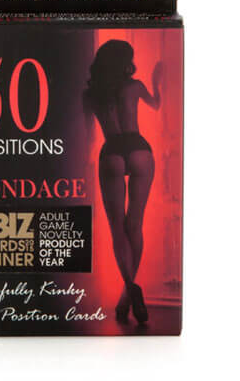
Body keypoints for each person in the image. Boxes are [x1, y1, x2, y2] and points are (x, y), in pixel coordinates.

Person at [83, 40, 162, 323]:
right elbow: (156, 105)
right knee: (134, 223)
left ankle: (129, 289)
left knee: (117, 228)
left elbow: (88, 137)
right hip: (139, 148)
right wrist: (156, 82)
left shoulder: (91, 94)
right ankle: (128, 295)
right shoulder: (135, 86)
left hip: (112, 151)